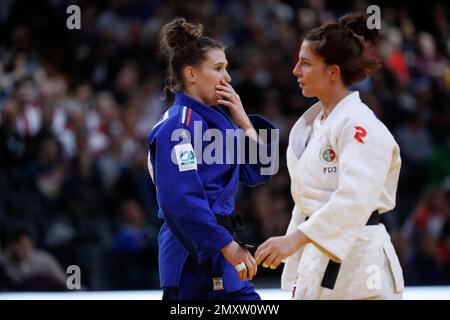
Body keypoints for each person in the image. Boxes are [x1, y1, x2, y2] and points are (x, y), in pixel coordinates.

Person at [255, 12, 405, 300]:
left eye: (306, 63)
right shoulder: (313, 125)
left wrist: (293, 241)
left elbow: (354, 199)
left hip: (361, 263)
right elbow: (308, 202)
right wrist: (294, 251)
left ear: (333, 72)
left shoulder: (361, 125)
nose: (295, 70)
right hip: (318, 258)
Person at [147, 18, 277, 300]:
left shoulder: (218, 122)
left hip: (222, 253)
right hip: (193, 258)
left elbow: (261, 170)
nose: (227, 77)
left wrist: (244, 122)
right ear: (191, 74)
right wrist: (226, 245)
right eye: (218, 68)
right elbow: (179, 200)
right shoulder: (178, 127)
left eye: (226, 68)